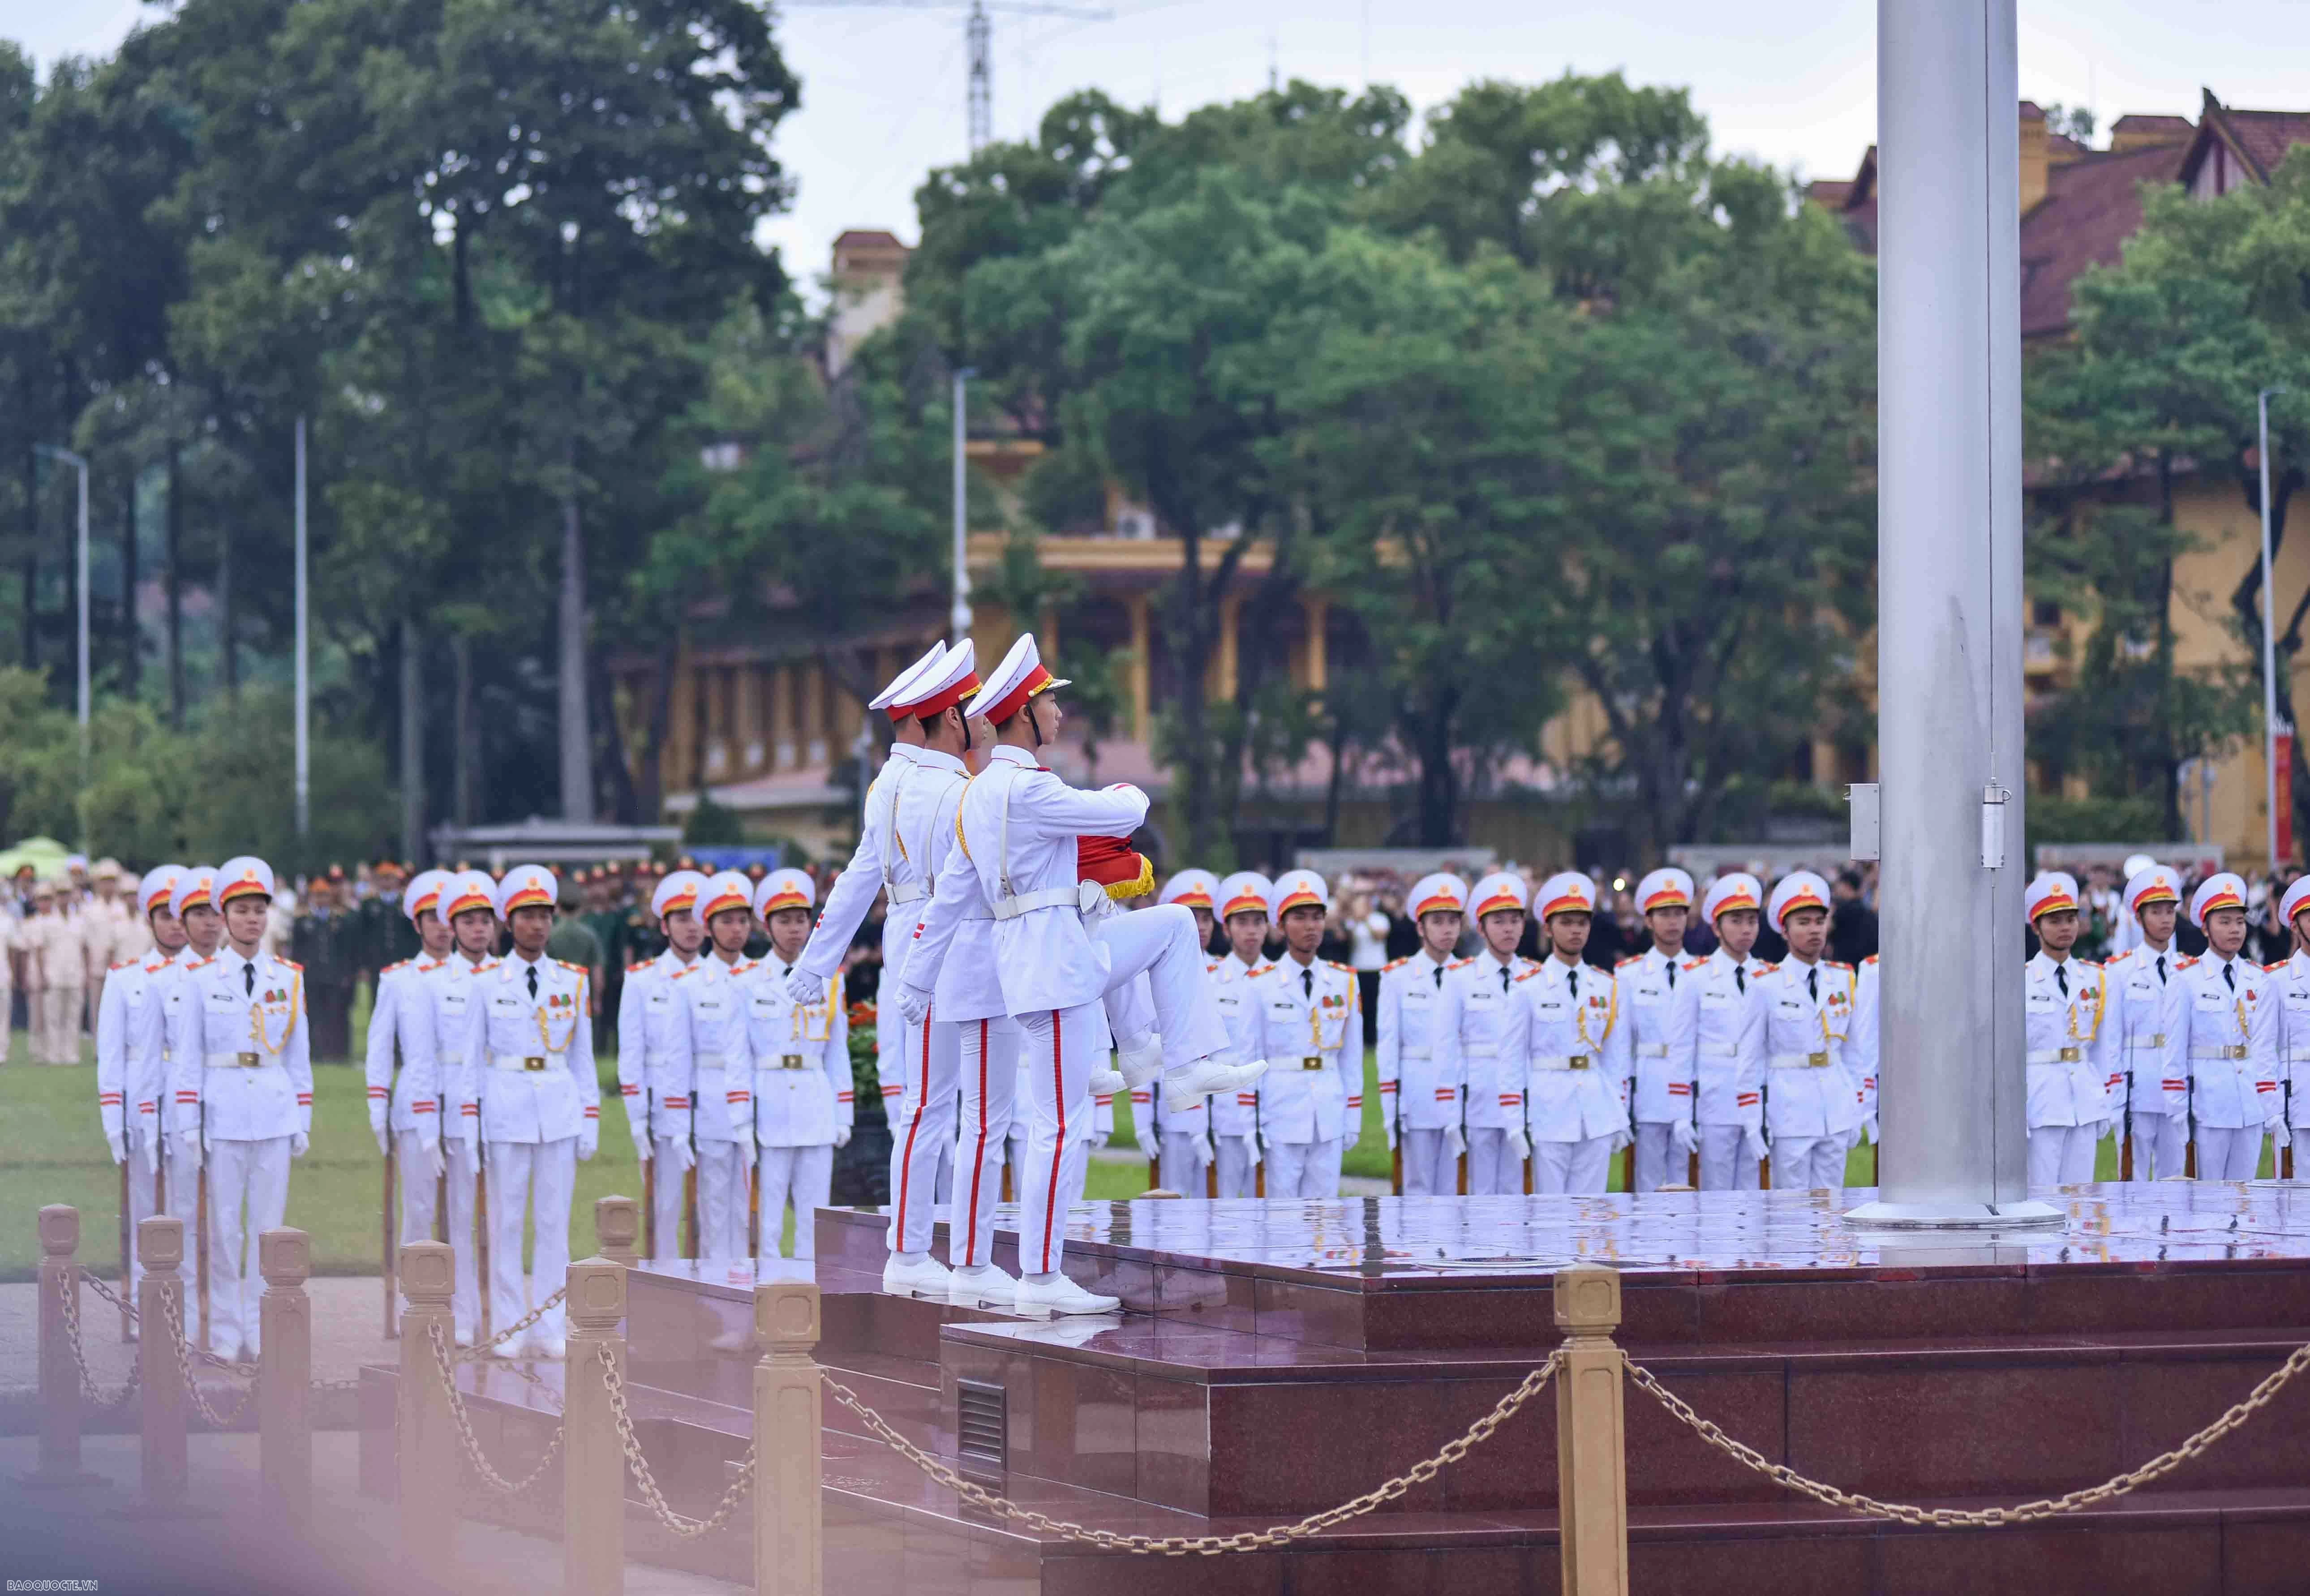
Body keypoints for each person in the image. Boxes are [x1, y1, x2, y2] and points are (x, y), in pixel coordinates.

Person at [898, 635, 1259, 1314]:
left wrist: (916, 982)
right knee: (1058, 1127)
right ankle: (1041, 1278)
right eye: (1049, 703)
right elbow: (1123, 812)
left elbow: (949, 898)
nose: (1059, 714)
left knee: (1172, 925)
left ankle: (1178, 1062)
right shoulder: (1028, 788)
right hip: (1054, 967)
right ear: (1022, 715)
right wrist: (1128, 788)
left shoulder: (978, 795)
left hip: (1046, 957)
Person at [790, 640, 969, 1300]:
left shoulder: (887, 786)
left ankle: (928, 1239)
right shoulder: (947, 788)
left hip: (911, 935)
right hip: (945, 940)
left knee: (930, 1104)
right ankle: (925, 1243)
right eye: (963, 711)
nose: (971, 722)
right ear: (941, 719)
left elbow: (857, 880)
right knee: (948, 1106)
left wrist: (817, 961)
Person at [166, 857, 313, 1364]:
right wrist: (189, 1123)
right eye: (242, 911)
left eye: (259, 910)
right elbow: (188, 1058)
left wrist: (302, 1119)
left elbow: (298, 1058)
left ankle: (260, 1325)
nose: (252, 919)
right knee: (225, 1230)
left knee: (268, 1229)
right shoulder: (202, 979)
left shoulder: (288, 978)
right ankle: (228, 1330)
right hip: (223, 1111)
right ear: (225, 916)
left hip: (274, 1111)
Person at [460, 863, 597, 1358]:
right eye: (527, 916)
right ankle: (510, 1326)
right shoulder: (485, 981)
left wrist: (590, 1118)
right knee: (507, 1224)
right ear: (508, 921)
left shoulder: (572, 981)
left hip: (558, 1111)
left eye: (544, 916)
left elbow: (582, 1058)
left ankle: (550, 1325)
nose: (537, 925)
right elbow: (471, 1063)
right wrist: (471, 1128)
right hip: (506, 1111)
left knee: (554, 1225)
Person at [743, 869, 850, 1259]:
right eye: (784, 921)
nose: (794, 930)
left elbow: (838, 1053)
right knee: (770, 1213)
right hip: (771, 1103)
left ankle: (810, 1285)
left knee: (814, 1213)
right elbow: (741, 1057)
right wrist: (742, 1119)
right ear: (767, 926)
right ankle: (769, 1288)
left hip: (816, 1103)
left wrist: (844, 1115)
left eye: (801, 920)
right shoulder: (748, 981)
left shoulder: (831, 980)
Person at [94, 864, 189, 1309]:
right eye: (165, 916)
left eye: (182, 915)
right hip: (140, 1101)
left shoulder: (210, 975)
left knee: (189, 1207)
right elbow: (111, 1055)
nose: (175, 925)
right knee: (143, 1207)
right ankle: (144, 1306)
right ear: (149, 920)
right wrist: (113, 1118)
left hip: (190, 1105)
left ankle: (189, 1307)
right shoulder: (125, 977)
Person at [1504, 872, 1631, 1194]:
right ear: (1548, 928)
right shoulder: (1527, 988)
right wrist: (1514, 1121)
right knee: (1551, 1212)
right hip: (1548, 1109)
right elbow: (1513, 1059)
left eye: (1582, 923)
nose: (1576, 930)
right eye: (1566, 923)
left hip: (1595, 1111)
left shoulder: (1605, 985)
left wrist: (1619, 1113)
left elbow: (1615, 1058)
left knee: (1591, 1211)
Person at [365, 870, 451, 1318]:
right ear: (417, 924)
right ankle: (414, 1305)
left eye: (449, 917)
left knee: (464, 1212)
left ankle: (462, 1307)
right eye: (432, 918)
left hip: (466, 1108)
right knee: (418, 1207)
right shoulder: (398, 979)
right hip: (414, 1107)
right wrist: (377, 1106)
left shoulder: (480, 976)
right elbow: (380, 1046)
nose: (443, 927)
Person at [1248, 869, 1361, 1198]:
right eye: (1300, 918)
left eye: (1317, 917)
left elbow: (1352, 1057)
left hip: (1328, 1110)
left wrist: (1353, 1116)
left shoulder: (1343, 981)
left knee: (1325, 1212)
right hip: (1280, 1111)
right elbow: (1250, 1057)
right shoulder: (1261, 984)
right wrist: (1251, 1120)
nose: (1311, 926)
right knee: (1282, 1210)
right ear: (1281, 926)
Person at [421, 869, 499, 1342]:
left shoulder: (509, 976)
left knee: (505, 1221)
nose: (478, 929)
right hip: (454, 1110)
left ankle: (504, 1317)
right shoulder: (432, 983)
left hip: (505, 1113)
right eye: (468, 921)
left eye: (485, 920)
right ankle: (466, 1316)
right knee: (463, 1219)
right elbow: (424, 1061)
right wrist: (428, 1126)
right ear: (453, 926)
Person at [1748, 871, 1861, 1192]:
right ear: (1784, 930)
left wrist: (1857, 1106)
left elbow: (1854, 1053)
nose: (1814, 930)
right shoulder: (1766, 985)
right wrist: (1752, 1119)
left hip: (1834, 1110)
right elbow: (1751, 1058)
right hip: (1790, 1111)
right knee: (1792, 1208)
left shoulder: (1842, 978)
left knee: (1831, 1205)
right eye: (1803, 922)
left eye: (1820, 922)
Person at [616, 869, 708, 1257]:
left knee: (715, 1210)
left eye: (697, 918)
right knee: (664, 1207)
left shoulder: (722, 977)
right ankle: (664, 1284)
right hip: (660, 1110)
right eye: (681, 918)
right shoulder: (642, 980)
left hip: (710, 1106)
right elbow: (631, 1054)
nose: (692, 927)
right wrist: (637, 1118)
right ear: (665, 926)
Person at [672, 870, 759, 1262]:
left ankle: (750, 1288)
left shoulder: (763, 978)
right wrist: (679, 1125)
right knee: (714, 1209)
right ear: (708, 927)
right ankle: (716, 1288)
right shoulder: (689, 984)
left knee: (751, 1212)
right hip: (711, 1105)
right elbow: (678, 1059)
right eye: (727, 921)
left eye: (743, 920)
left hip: (758, 1105)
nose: (737, 929)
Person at [1436, 871, 1537, 1196]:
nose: (1509, 929)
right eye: (1499, 922)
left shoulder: (1536, 976)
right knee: (1480, 1192)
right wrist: (1450, 1112)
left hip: (1524, 1095)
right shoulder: (1460, 978)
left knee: (1517, 1190)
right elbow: (1446, 1046)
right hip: (1479, 1095)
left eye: (1515, 921)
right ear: (1481, 929)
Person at [1666, 873, 1769, 1191]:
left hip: (1760, 1098)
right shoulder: (1695, 978)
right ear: (1716, 928)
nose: (1746, 929)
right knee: (1716, 1192)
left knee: (1755, 1193)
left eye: (1752, 921)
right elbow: (1681, 1047)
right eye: (1736, 921)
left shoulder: (1769, 976)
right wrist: (1681, 1113)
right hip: (1716, 1097)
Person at [2178, 872, 2281, 1183]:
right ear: (2205, 927)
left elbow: (2265, 1047)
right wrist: (2178, 1109)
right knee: (2207, 1196)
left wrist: (2271, 1105)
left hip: (2249, 1102)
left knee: (2245, 1195)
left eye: (2239, 921)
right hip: (2207, 1104)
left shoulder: (2258, 978)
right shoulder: (2187, 979)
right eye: (2224, 922)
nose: (2235, 929)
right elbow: (2175, 1051)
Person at [2018, 871, 2114, 1188]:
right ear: (2036, 927)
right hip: (2041, 1102)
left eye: (2071, 919)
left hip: (2084, 1099)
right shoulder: (2021, 979)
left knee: (2081, 1196)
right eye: (2055, 921)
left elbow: (2102, 1048)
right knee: (2042, 1194)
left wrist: (2104, 1098)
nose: (2065, 928)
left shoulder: (2094, 978)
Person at [1376, 873, 1468, 1197]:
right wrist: (1391, 1105)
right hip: (1418, 1094)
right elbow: (1388, 1046)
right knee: (1418, 1188)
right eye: (1438, 922)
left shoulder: (1471, 976)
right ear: (1420, 928)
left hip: (1460, 1092)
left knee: (1456, 1189)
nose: (1447, 930)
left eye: (1453, 922)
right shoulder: (1397, 977)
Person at [1142, 870, 1223, 1195]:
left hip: (1223, 1113)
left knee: (1218, 1208)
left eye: (1207, 919)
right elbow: (1146, 1051)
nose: (1201, 927)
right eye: (1193, 918)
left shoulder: (1229, 976)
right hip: (1174, 1111)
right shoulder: (1155, 976)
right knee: (1171, 1202)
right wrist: (1142, 1119)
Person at [2105, 865, 2188, 1183]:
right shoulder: (2120, 971)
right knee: (2133, 1183)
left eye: (2170, 911)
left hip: (2177, 1088)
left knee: (2176, 1180)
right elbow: (2112, 1037)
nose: (2166, 919)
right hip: (2137, 1087)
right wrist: (2114, 1095)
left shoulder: (2188, 969)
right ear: (2139, 919)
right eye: (2156, 912)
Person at [1622, 867, 1700, 1192]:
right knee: (1647, 1182)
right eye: (1664, 914)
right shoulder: (1629, 975)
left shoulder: (1702, 972)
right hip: (1649, 1085)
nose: (1673, 922)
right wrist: (1622, 1101)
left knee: (1687, 1182)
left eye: (1679, 914)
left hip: (1693, 1086)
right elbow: (1623, 1043)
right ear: (1649, 921)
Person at [1208, 871, 1273, 1198]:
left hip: (1275, 1104)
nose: (1251, 931)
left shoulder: (1279, 978)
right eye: (1242, 922)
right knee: (1227, 1201)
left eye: (1258, 922)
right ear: (1227, 929)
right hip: (1226, 1105)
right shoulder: (1209, 980)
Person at [293, 868, 359, 1061]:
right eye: (317, 895)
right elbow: (297, 952)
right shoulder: (302, 921)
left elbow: (348, 950)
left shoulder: (341, 919)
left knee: (337, 1015)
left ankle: (338, 1053)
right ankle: (315, 1053)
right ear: (311, 897)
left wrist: (348, 974)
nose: (321, 899)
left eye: (324, 895)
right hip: (312, 976)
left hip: (335, 975)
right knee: (313, 1016)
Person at [2273, 875, 2310, 1182]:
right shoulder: (2277, 981)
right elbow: (2263, 1048)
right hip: (2297, 1099)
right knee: (2295, 1195)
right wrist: (2272, 1107)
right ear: (2295, 926)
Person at [25, 880, 77, 1064]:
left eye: (48, 899)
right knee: (43, 1017)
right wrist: (38, 975)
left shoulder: (75, 920)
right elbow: (33, 951)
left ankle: (69, 1053)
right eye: (42, 899)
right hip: (45, 973)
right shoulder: (36, 923)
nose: (45, 903)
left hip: (70, 973)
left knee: (69, 1016)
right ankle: (45, 1052)